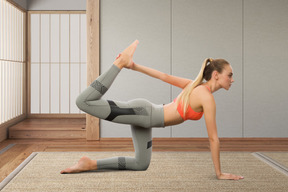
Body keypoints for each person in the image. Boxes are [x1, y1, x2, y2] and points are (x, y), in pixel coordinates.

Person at [60, 40, 244, 180]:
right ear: (216, 75)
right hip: (143, 113)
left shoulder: (195, 86)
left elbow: (164, 76)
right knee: (83, 101)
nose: (232, 79)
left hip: (146, 117)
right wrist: (219, 173)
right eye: (230, 75)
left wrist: (135, 66)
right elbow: (213, 138)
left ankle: (89, 164)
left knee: (141, 164)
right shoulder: (206, 97)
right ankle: (117, 65)